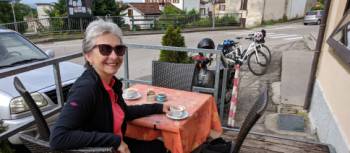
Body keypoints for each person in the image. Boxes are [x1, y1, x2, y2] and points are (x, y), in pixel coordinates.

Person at [50, 19, 169, 153]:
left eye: (119, 49)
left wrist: (159, 107)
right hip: (104, 148)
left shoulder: (111, 83)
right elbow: (58, 138)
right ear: (88, 56)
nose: (114, 56)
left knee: (160, 147)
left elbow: (125, 112)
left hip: (116, 143)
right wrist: (114, 140)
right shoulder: (87, 89)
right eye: (105, 49)